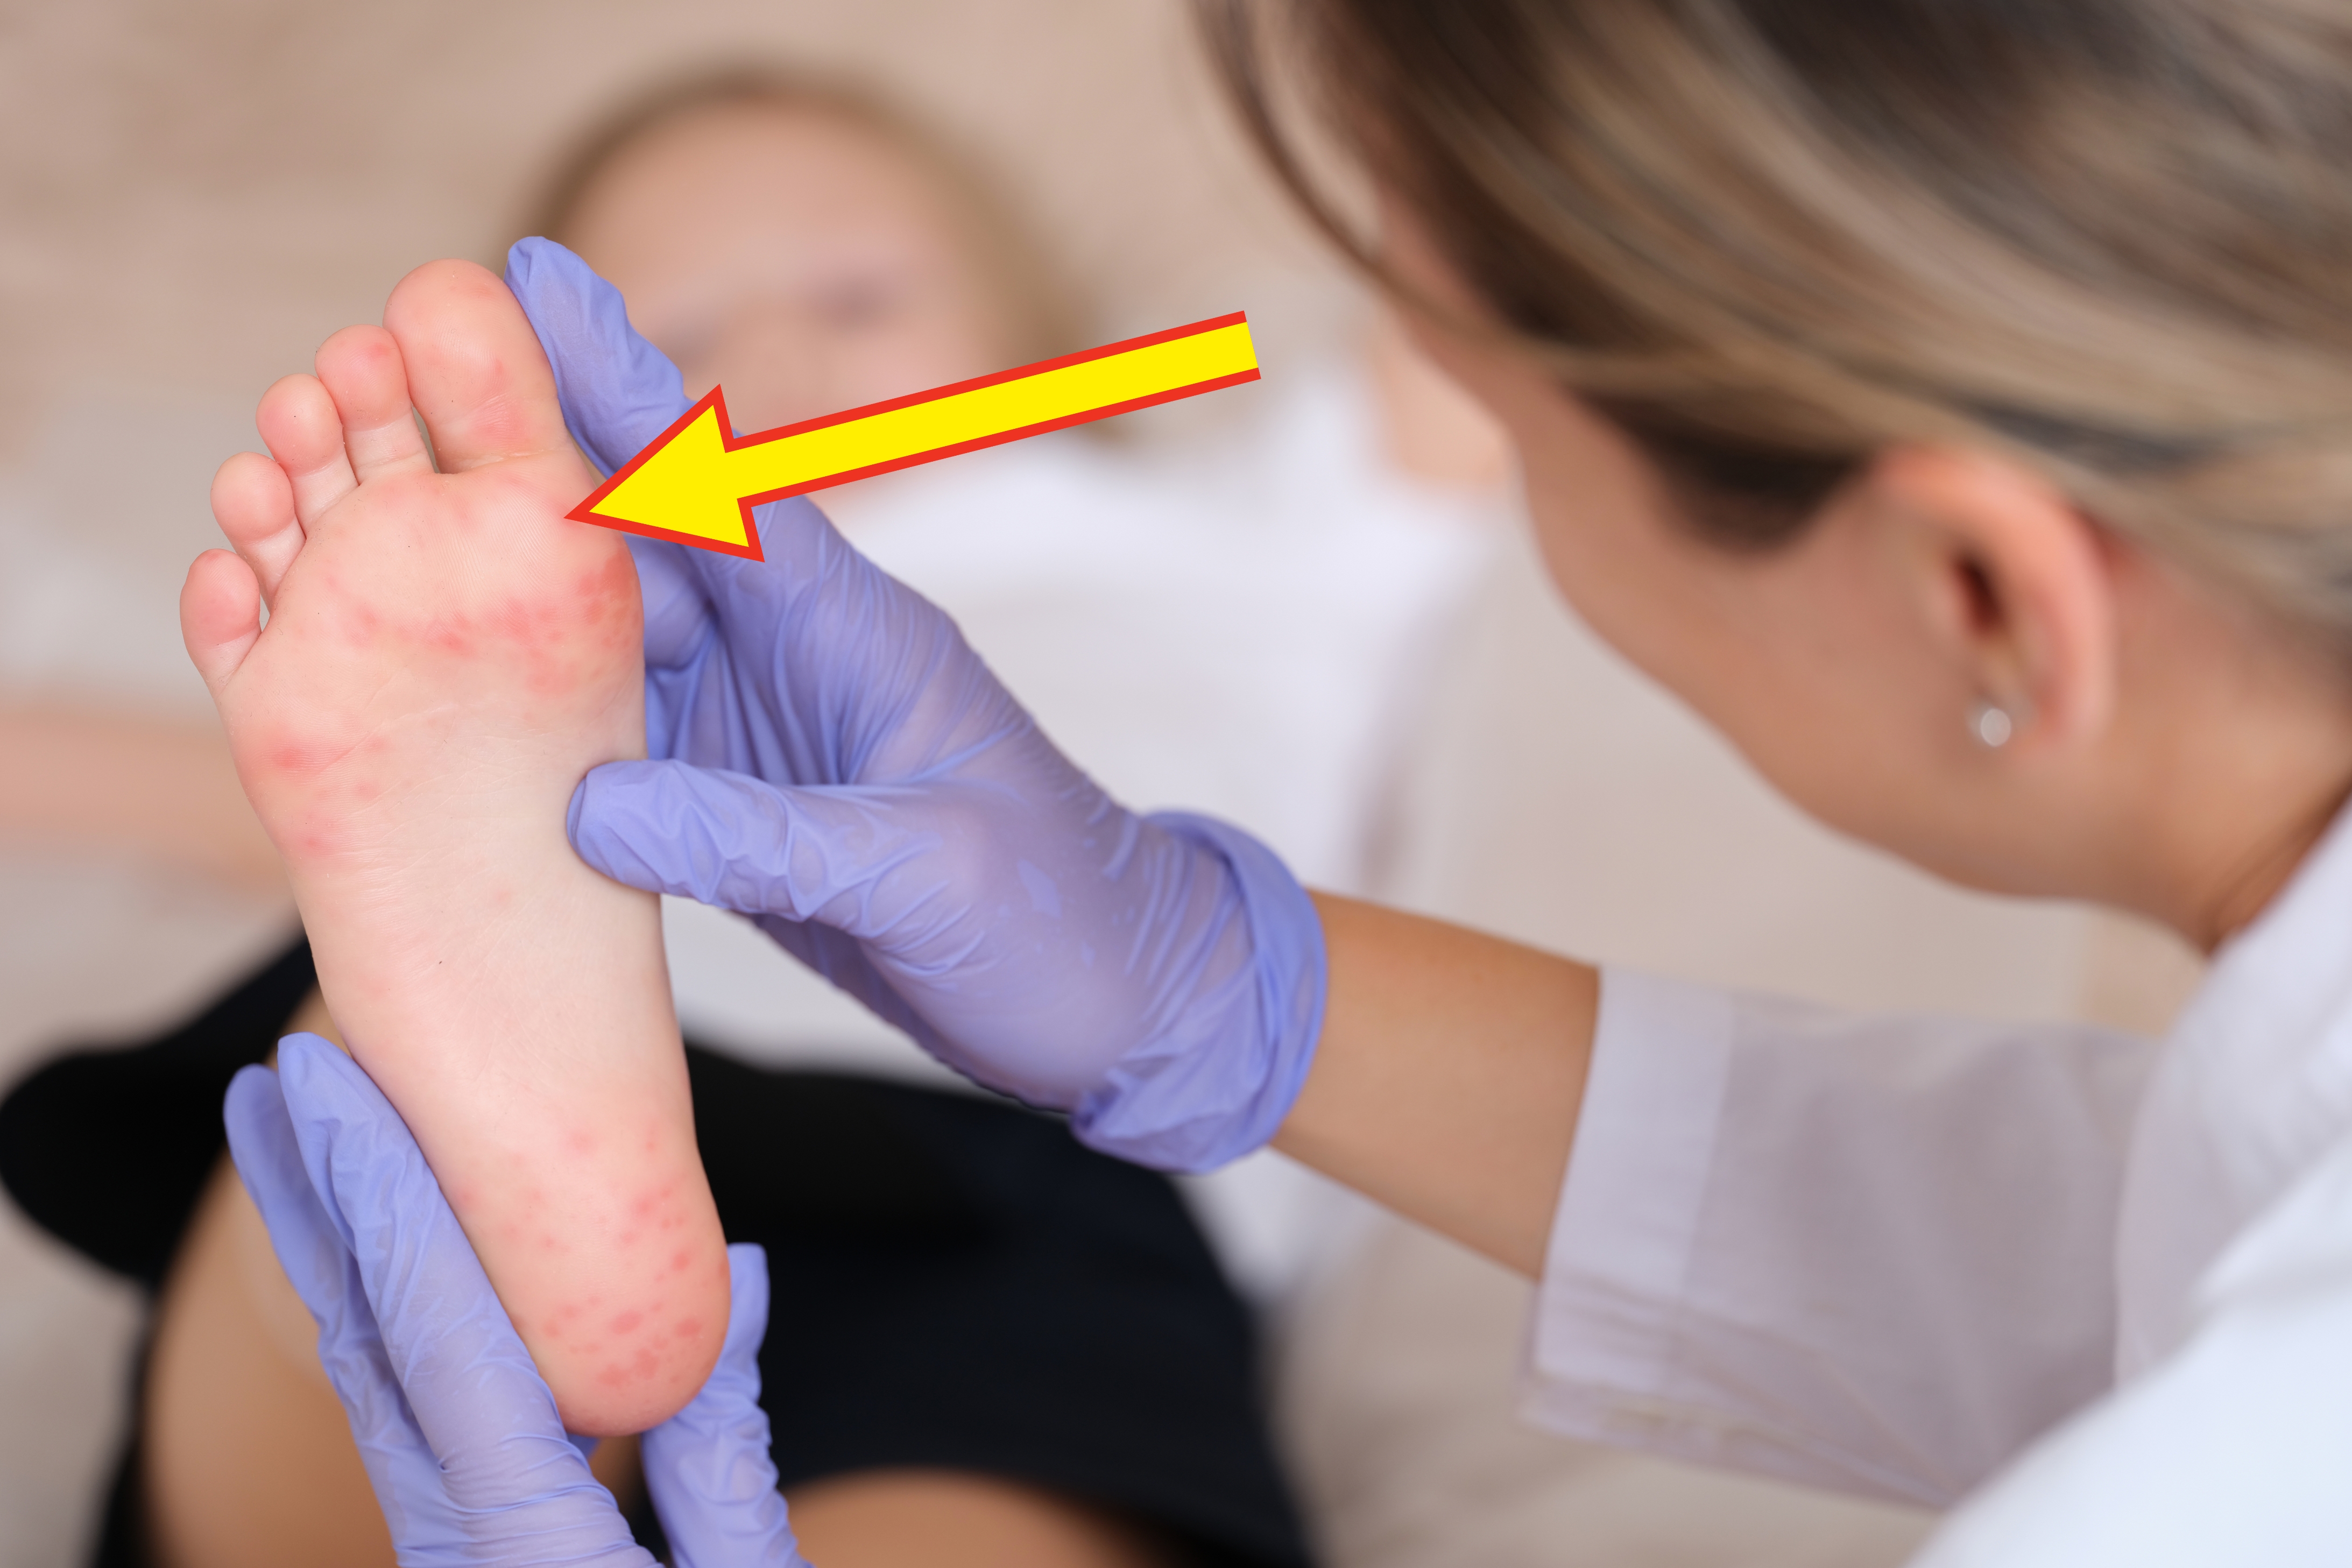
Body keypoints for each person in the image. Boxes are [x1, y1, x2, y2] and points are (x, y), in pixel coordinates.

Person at [252, 1, 2352, 1563]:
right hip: (749, 1045)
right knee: (324, 1197)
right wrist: (1222, 985)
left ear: (1986, 602)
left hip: (1019, 1227)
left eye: (1537, 443)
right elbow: (2091, 1236)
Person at [3, 70, 1350, 1568]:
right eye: (686, 343)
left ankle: (445, 1165)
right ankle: (464, 1114)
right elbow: (236, 793)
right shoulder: (576, 610)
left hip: (1037, 1142)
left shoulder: (1236, 528)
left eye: (855, 294)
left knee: (356, 1205)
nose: (776, 352)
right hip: (685, 1057)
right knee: (372, 1101)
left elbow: (1494, 347)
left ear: (1042, 333)